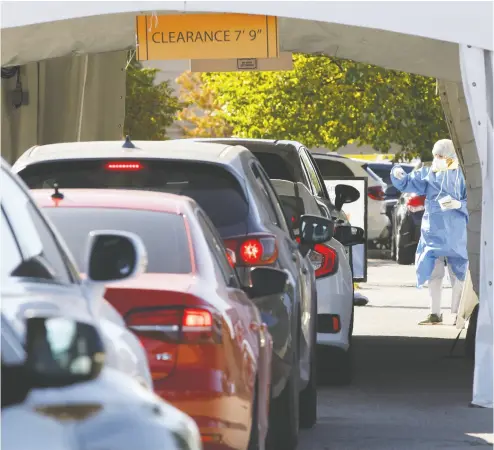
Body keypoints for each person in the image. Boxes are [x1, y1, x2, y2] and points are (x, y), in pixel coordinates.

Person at [391, 139, 468, 325]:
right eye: (435, 156)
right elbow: (409, 183)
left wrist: (458, 204)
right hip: (433, 231)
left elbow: (476, 201)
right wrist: (398, 174)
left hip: (456, 231)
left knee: (459, 273)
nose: (437, 159)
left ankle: (459, 313)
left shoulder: (463, 175)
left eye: (441, 156)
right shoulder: (430, 173)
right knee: (433, 272)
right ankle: (435, 313)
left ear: (450, 155)